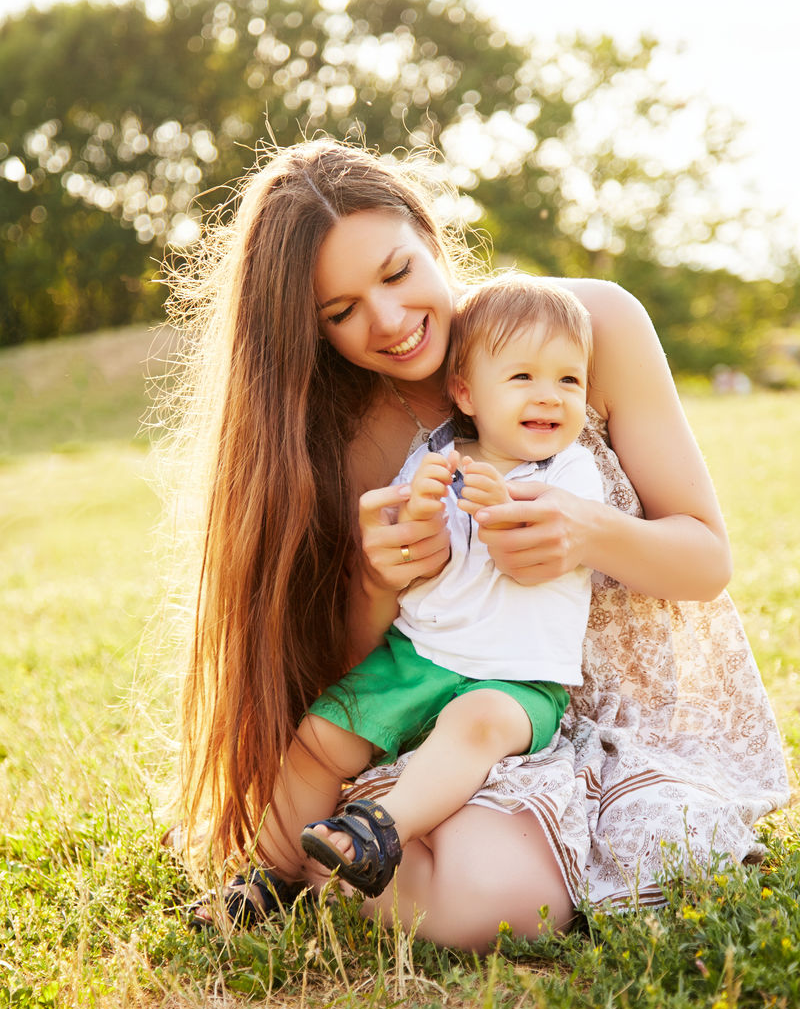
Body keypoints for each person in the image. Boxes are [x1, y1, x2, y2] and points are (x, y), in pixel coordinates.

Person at [172, 138, 789, 951]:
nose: (388, 321)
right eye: (341, 312)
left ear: (431, 236)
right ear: (310, 331)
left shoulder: (585, 327)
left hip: (619, 712)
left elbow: (706, 559)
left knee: (489, 905)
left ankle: (367, 856)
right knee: (464, 880)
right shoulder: (341, 436)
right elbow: (347, 673)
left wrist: (588, 531)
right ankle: (315, 861)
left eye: (396, 273)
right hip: (446, 718)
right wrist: (378, 583)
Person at [254, 276, 605, 897]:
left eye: (568, 380)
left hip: (515, 679)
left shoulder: (570, 471)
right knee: (320, 737)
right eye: (523, 377)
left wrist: (498, 505)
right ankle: (268, 877)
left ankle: (378, 832)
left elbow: (533, 550)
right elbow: (422, 555)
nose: (549, 397)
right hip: (416, 656)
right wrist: (418, 508)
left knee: (476, 720)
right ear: (466, 392)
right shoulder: (433, 454)